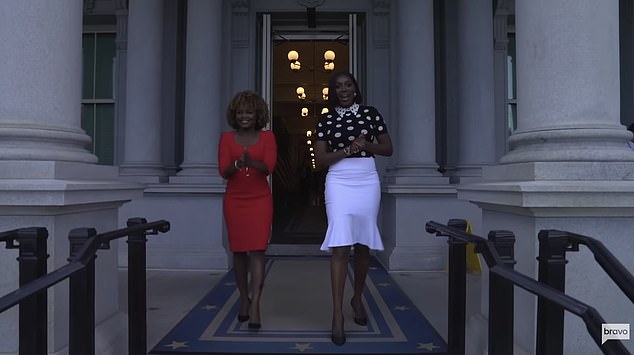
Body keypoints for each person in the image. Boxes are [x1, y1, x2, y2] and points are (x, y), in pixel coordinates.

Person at [314, 72, 393, 345]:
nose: (344, 90)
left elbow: (387, 148)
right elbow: (321, 160)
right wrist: (348, 149)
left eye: (348, 85)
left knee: (362, 245)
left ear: (356, 89)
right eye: (338, 87)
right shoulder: (326, 119)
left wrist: (365, 144)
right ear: (332, 92)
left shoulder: (371, 114)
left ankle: (357, 298)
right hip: (338, 180)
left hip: (367, 179)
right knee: (340, 245)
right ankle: (337, 314)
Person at [218, 90, 277, 330]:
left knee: (257, 251)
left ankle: (255, 306)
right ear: (235, 115)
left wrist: (251, 162)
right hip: (235, 200)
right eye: (241, 112)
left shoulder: (268, 137)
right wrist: (236, 164)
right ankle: (244, 299)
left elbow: (269, 167)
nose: (245, 116)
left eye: (249, 112)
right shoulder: (226, 138)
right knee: (239, 252)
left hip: (260, 200)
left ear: (257, 115)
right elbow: (223, 170)